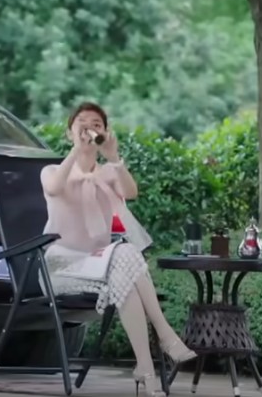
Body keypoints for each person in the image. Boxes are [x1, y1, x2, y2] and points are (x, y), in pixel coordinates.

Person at [40, 102, 197, 397]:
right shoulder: (52, 171)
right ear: (69, 132)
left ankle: (146, 369)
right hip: (61, 266)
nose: (89, 128)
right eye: (82, 122)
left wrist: (113, 158)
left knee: (124, 259)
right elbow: (54, 188)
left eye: (96, 124)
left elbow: (131, 192)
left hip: (100, 262)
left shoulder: (108, 174)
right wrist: (77, 150)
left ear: (104, 132)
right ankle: (164, 338)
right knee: (125, 258)